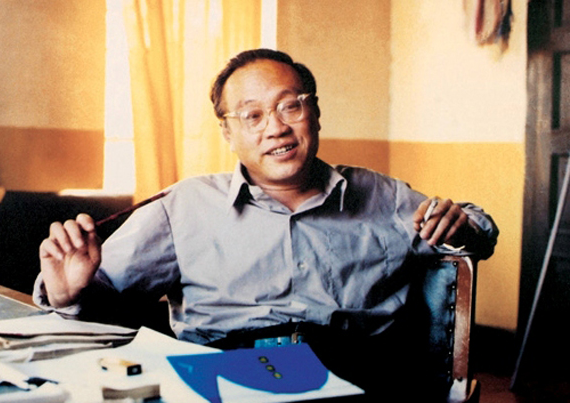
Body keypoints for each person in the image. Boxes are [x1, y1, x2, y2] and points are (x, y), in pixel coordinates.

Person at [34, 48, 498, 400]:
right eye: (252, 116)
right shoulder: (184, 206)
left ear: (315, 113)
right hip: (225, 376)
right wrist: (67, 293)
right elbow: (99, 301)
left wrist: (461, 228)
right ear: (228, 133)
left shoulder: (380, 196)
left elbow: (476, 228)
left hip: (354, 375)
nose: (275, 128)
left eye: (289, 106)